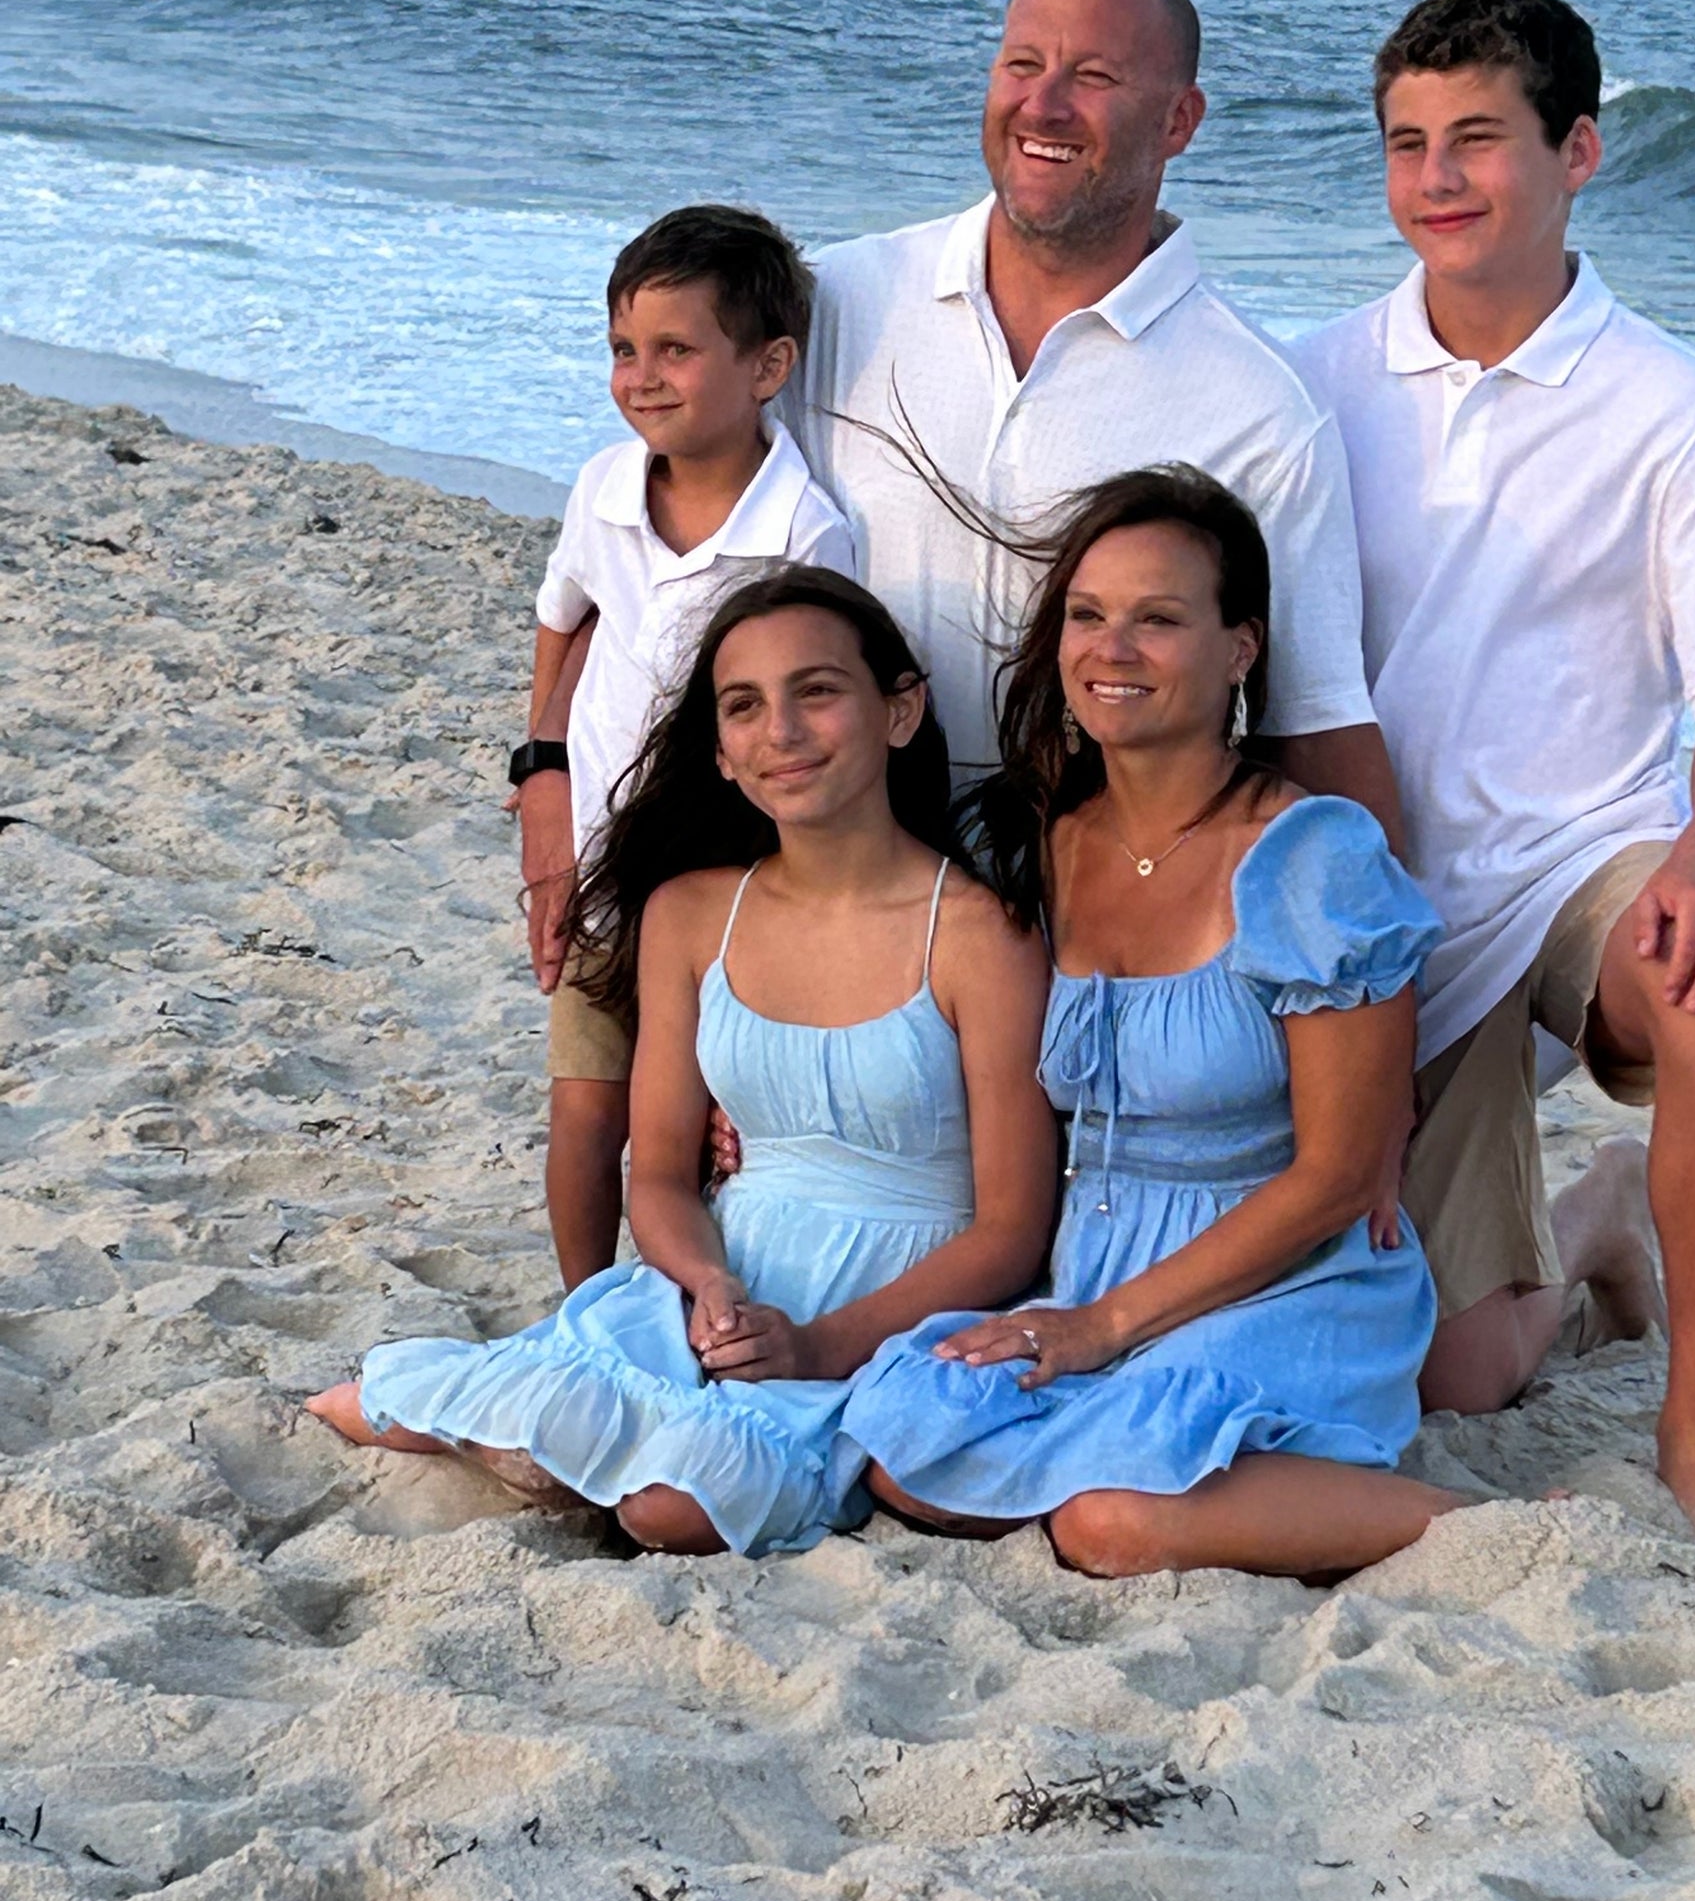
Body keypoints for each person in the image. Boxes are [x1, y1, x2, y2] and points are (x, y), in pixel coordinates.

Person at [1290, 0, 1695, 1540]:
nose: (1436, 177)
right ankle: (1590, 1230)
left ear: (1577, 151)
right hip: (1378, 905)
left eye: (1477, 140)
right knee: (1449, 1377)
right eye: (1405, 144)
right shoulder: (1312, 381)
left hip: (1582, 869)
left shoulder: (1677, 408)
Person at [306, 570, 1056, 1559]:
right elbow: (657, 1170)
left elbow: (1012, 1228)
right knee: (372, 1409)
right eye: (743, 707)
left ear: (900, 709)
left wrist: (816, 1348)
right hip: (719, 1282)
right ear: (720, 752)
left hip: (896, 1308)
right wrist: (704, 1283)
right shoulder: (694, 912)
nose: (780, 730)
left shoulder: (977, 934)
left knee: (670, 1507)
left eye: (818, 690)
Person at [835, 471, 1461, 1580]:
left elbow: (1335, 1174)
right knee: (903, 1456)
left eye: (1158, 619)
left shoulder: (1312, 858)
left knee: (1109, 1522)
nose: (1111, 649)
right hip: (1092, 1262)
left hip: (1287, 1272)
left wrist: (1104, 1328)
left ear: (1239, 649)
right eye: (1087, 615)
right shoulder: (1026, 841)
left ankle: (1457, 1522)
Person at [782, 0, 1398, 836]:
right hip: (831, 875)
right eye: (1022, 64)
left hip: (1086, 909)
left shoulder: (1258, 409)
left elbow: (1310, 722)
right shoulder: (838, 304)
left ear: (1181, 120)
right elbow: (661, 532)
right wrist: (552, 762)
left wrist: (1373, 947)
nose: (1043, 103)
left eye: (1094, 75)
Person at [512, 205, 856, 1288]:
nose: (641, 377)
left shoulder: (803, 531)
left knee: (701, 1134)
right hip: (604, 877)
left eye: (674, 349)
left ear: (768, 366)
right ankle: (578, 1309)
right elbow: (562, 620)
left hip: (720, 894)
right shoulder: (603, 489)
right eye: (623, 350)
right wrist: (541, 778)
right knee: (583, 1110)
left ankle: (687, 1306)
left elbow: (801, 726)